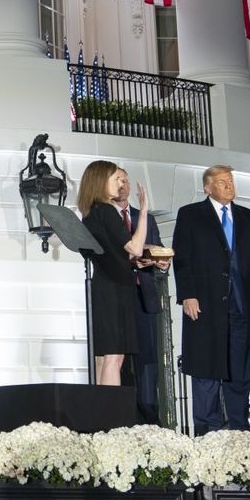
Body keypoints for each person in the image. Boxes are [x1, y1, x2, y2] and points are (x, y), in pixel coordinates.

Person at [173, 165, 250, 434]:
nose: (229, 186)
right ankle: (208, 432)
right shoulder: (191, 214)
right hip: (205, 306)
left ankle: (240, 431)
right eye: (221, 182)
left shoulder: (248, 217)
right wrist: (187, 294)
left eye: (230, 181)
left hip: (241, 306)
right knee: (207, 370)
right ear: (207, 187)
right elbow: (182, 258)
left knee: (239, 373)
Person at [78, 160, 149, 386]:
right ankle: (111, 419)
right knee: (114, 358)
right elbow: (135, 248)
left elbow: (114, 254)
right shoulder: (107, 210)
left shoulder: (91, 213)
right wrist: (145, 211)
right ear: (101, 181)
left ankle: (100, 417)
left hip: (104, 285)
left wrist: (138, 259)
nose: (120, 184)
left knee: (103, 358)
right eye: (115, 179)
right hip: (115, 289)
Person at [112, 168, 170, 424]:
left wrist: (161, 262)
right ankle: (123, 417)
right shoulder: (106, 218)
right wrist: (133, 261)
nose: (123, 185)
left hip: (143, 296)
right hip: (115, 299)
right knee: (118, 361)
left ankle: (150, 418)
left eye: (125, 180)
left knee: (148, 361)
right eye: (117, 181)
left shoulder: (144, 218)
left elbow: (157, 250)